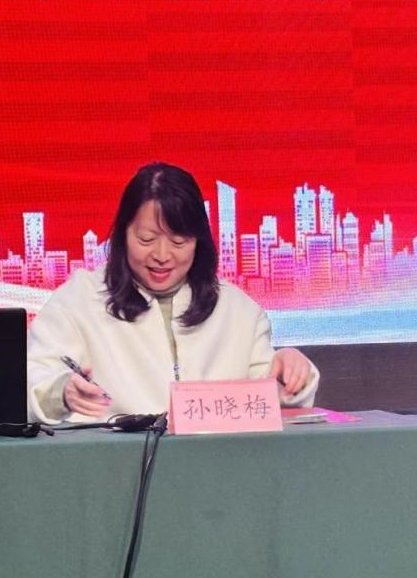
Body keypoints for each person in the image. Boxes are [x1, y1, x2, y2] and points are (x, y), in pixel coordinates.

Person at [28, 162, 318, 423]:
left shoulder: (239, 311)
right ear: (123, 234)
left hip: (215, 461)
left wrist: (291, 374)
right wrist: (60, 393)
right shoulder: (77, 301)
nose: (162, 255)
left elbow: (270, 406)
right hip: (111, 460)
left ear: (199, 241)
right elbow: (31, 380)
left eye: (179, 242)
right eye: (146, 239)